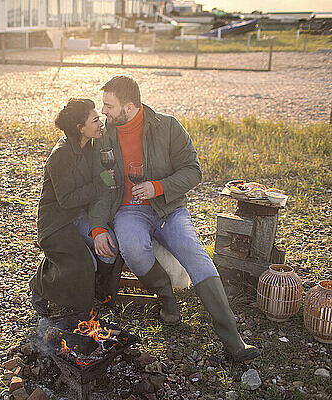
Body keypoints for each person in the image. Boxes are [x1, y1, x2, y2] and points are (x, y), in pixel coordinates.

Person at [88, 76, 260, 362]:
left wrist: (158, 187)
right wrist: (97, 226)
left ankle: (233, 339)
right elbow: (103, 183)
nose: (103, 111)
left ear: (129, 107)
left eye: (108, 105)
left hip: (169, 208)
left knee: (196, 255)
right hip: (129, 210)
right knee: (132, 248)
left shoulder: (168, 127)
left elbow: (193, 171)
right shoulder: (106, 134)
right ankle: (166, 297)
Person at [29, 98, 121, 317]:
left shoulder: (89, 145)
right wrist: (101, 183)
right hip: (57, 222)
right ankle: (41, 286)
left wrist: (112, 184)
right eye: (95, 120)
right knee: (86, 265)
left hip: (79, 215)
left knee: (111, 250)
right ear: (80, 128)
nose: (101, 123)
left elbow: (104, 180)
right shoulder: (61, 155)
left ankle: (94, 287)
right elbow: (67, 200)